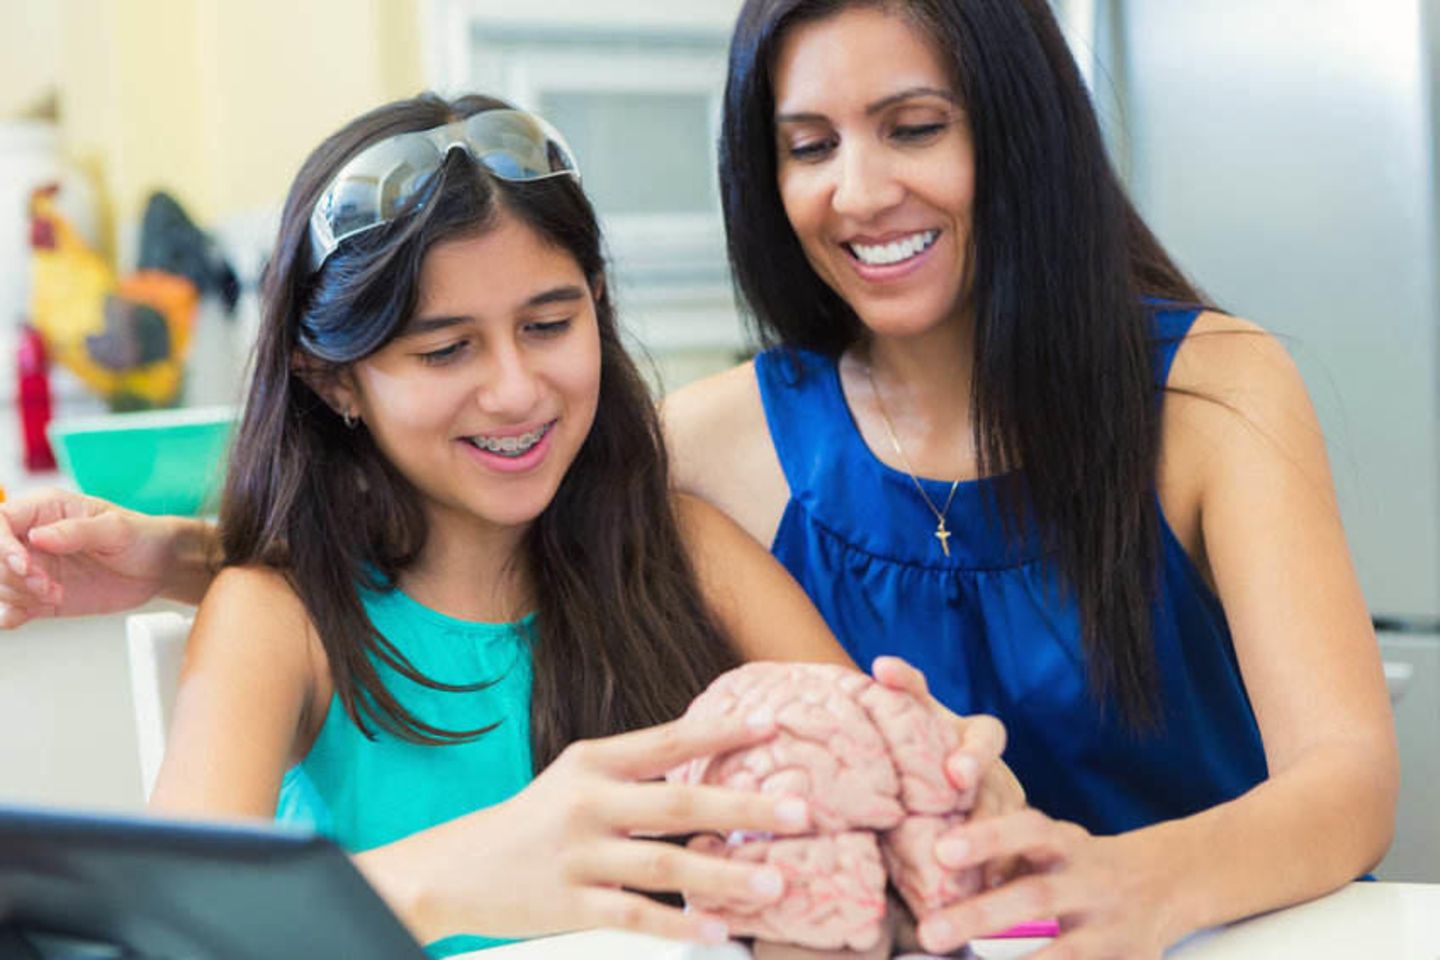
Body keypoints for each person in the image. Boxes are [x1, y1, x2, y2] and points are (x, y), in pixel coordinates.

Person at [0, 92, 1015, 959]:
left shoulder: (682, 552)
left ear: (598, 305)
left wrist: (946, 798)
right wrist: (454, 875)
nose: (517, 390)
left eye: (549, 324)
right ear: (334, 382)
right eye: (444, 351)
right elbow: (182, 934)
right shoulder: (279, 618)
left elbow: (888, 803)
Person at [660, 1, 1396, 957]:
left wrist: (1144, 883)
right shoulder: (706, 445)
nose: (858, 192)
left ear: (1021, 129)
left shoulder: (1216, 388)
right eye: (809, 147)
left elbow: (1350, 780)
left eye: (914, 128)